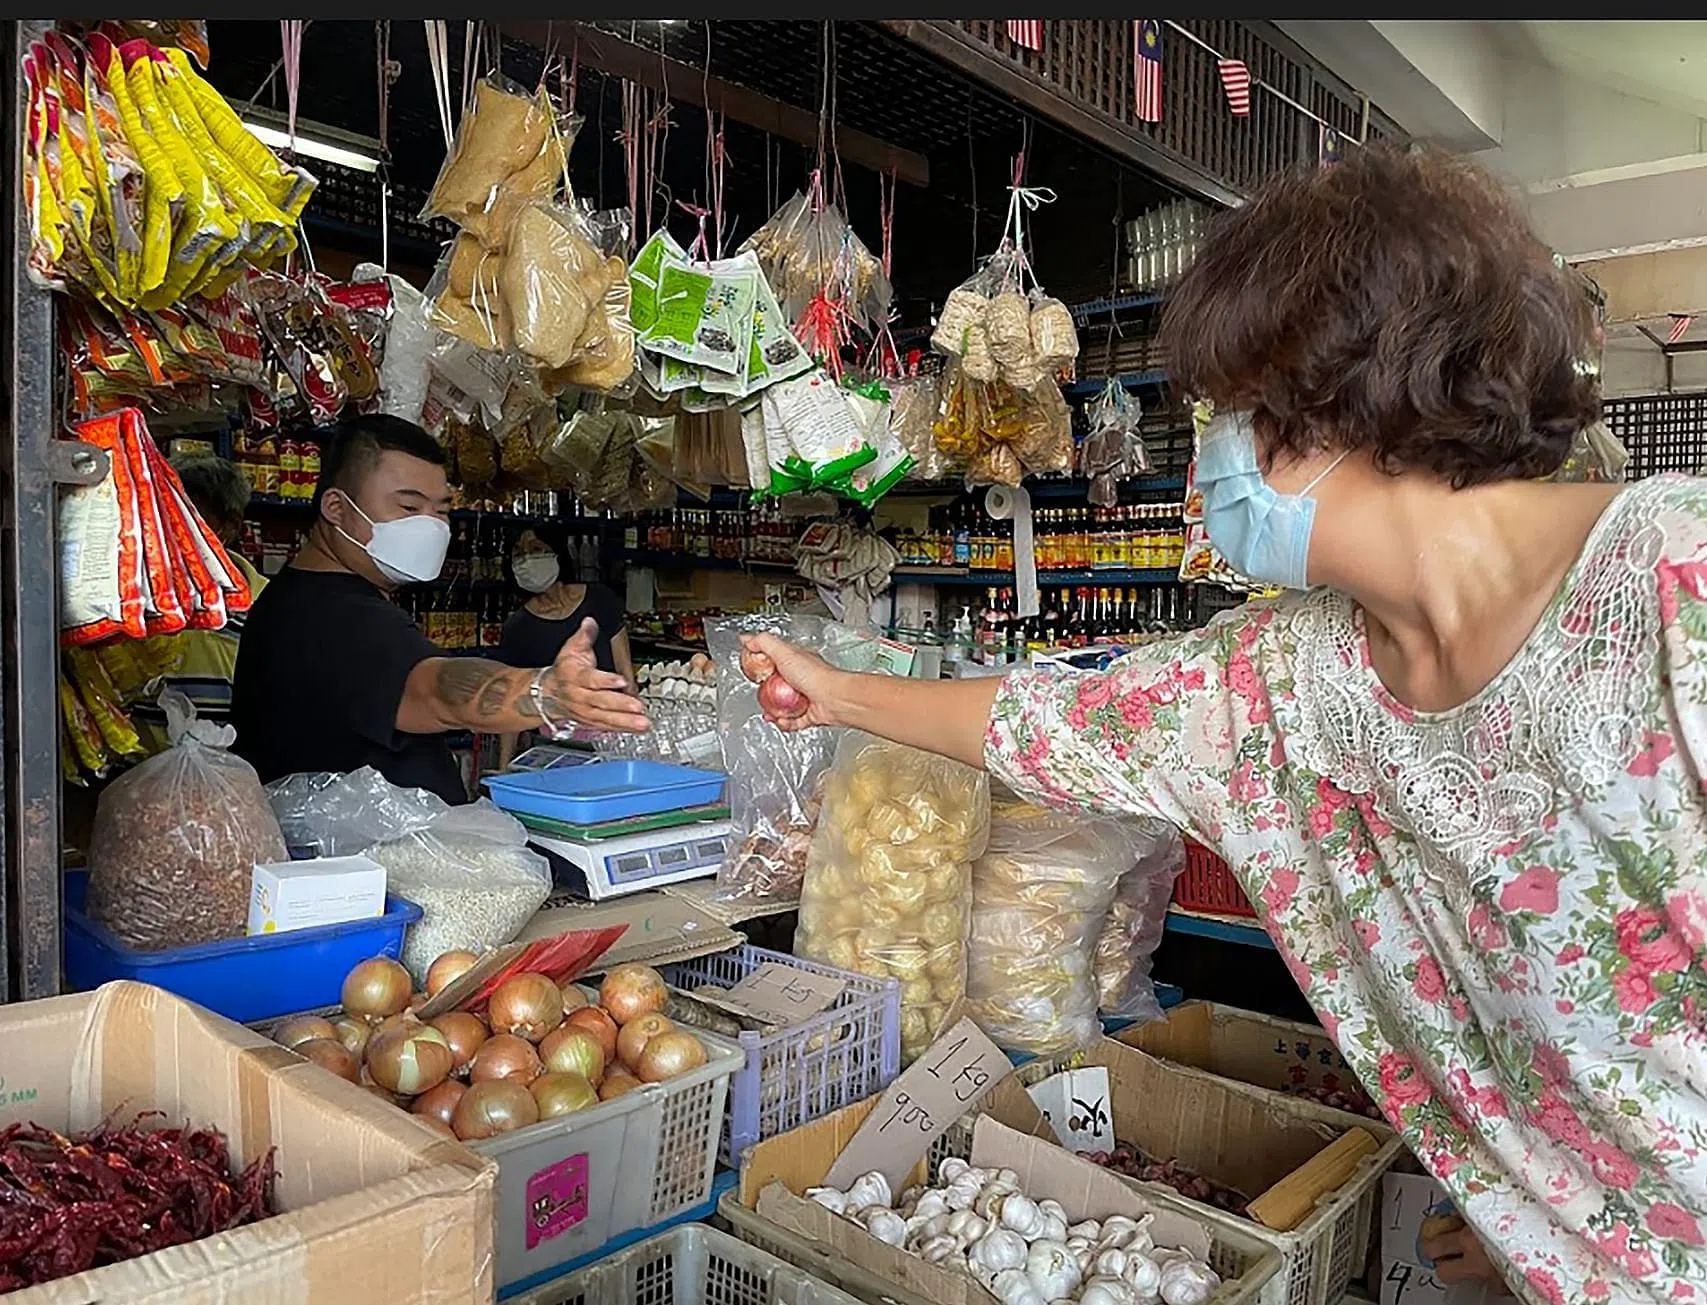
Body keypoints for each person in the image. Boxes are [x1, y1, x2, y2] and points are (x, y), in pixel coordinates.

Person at [748, 148, 1707, 1305]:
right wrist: (838, 691)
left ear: (1337, 397)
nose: (1202, 454)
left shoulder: (1677, 586)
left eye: (1223, 410)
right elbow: (1054, 720)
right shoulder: (1281, 681)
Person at [232, 414, 647, 805]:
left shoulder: (299, 597)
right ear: (336, 509)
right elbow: (435, 690)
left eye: (442, 510)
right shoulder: (333, 616)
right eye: (409, 508)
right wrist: (544, 691)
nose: (431, 527)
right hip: (360, 869)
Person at [131, 454, 268, 751]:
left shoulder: (266, 605)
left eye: (191, 516)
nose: (175, 528)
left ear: (228, 527)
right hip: (140, 777)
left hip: (229, 775)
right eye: (167, 514)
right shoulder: (136, 594)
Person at [494, 526, 634, 768]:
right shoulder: (518, 628)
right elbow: (513, 699)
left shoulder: (600, 600)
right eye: (519, 553)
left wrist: (633, 737)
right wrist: (503, 767)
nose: (527, 559)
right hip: (555, 747)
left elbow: (626, 675)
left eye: (537, 549)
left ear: (557, 554)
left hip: (610, 737)